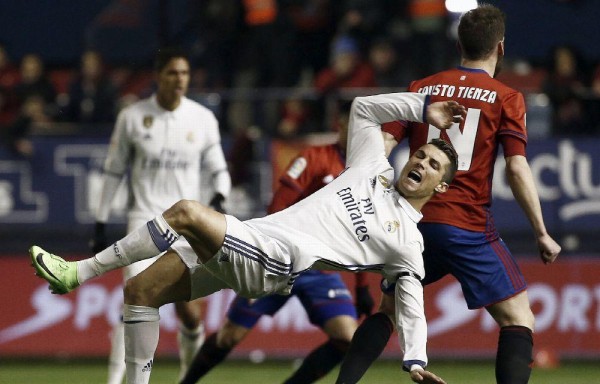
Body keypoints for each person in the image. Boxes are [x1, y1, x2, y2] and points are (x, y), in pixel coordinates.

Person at [31, 91, 466, 384]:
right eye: (421, 154)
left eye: (433, 167)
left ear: (440, 187)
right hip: (254, 239)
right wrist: (423, 108)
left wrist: (415, 361)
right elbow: (363, 109)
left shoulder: (408, 240)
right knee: (140, 292)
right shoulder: (372, 167)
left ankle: (77, 273)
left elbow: (412, 306)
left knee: (185, 212)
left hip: (275, 263)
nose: (422, 164)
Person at [334, 5, 562, 384]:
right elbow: (517, 167)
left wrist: (363, 196)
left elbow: (384, 142)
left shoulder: (422, 87)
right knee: (518, 317)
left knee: (388, 310)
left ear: (459, 43)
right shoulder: (506, 97)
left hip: (415, 223)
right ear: (500, 48)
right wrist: (540, 231)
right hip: (468, 227)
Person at [179, 103, 374, 384]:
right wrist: (270, 251)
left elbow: (363, 232)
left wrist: (363, 285)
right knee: (229, 336)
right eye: (351, 126)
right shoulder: (314, 158)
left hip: (320, 269)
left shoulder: (366, 174)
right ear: (339, 125)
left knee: (347, 338)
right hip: (280, 262)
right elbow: (278, 205)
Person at [89, 47, 232, 384]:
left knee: (189, 313)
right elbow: (113, 171)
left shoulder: (202, 119)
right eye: (172, 73)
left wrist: (220, 197)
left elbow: (219, 169)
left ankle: (187, 376)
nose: (180, 79)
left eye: (184, 73)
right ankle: (114, 381)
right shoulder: (133, 117)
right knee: (135, 298)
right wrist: (100, 219)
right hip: (143, 220)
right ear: (158, 76)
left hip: (188, 226)